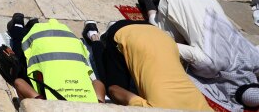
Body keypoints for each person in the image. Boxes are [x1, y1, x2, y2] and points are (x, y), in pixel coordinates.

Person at [138, 0, 259, 112]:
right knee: (161, 34)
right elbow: (169, 45)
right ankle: (146, 0)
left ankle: (164, 5)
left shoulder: (254, 59)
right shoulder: (211, 66)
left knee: (195, 36)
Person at [83, 21, 212, 110]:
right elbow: (115, 91)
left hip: (159, 34)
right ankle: (94, 36)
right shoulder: (156, 109)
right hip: (122, 32)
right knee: (112, 87)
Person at [0, 14, 104, 103]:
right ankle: (19, 25)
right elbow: (19, 82)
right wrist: (36, 102)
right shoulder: (48, 106)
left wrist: (99, 103)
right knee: (20, 50)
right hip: (42, 41)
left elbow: (97, 83)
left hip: (67, 39)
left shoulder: (94, 106)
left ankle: (30, 25)